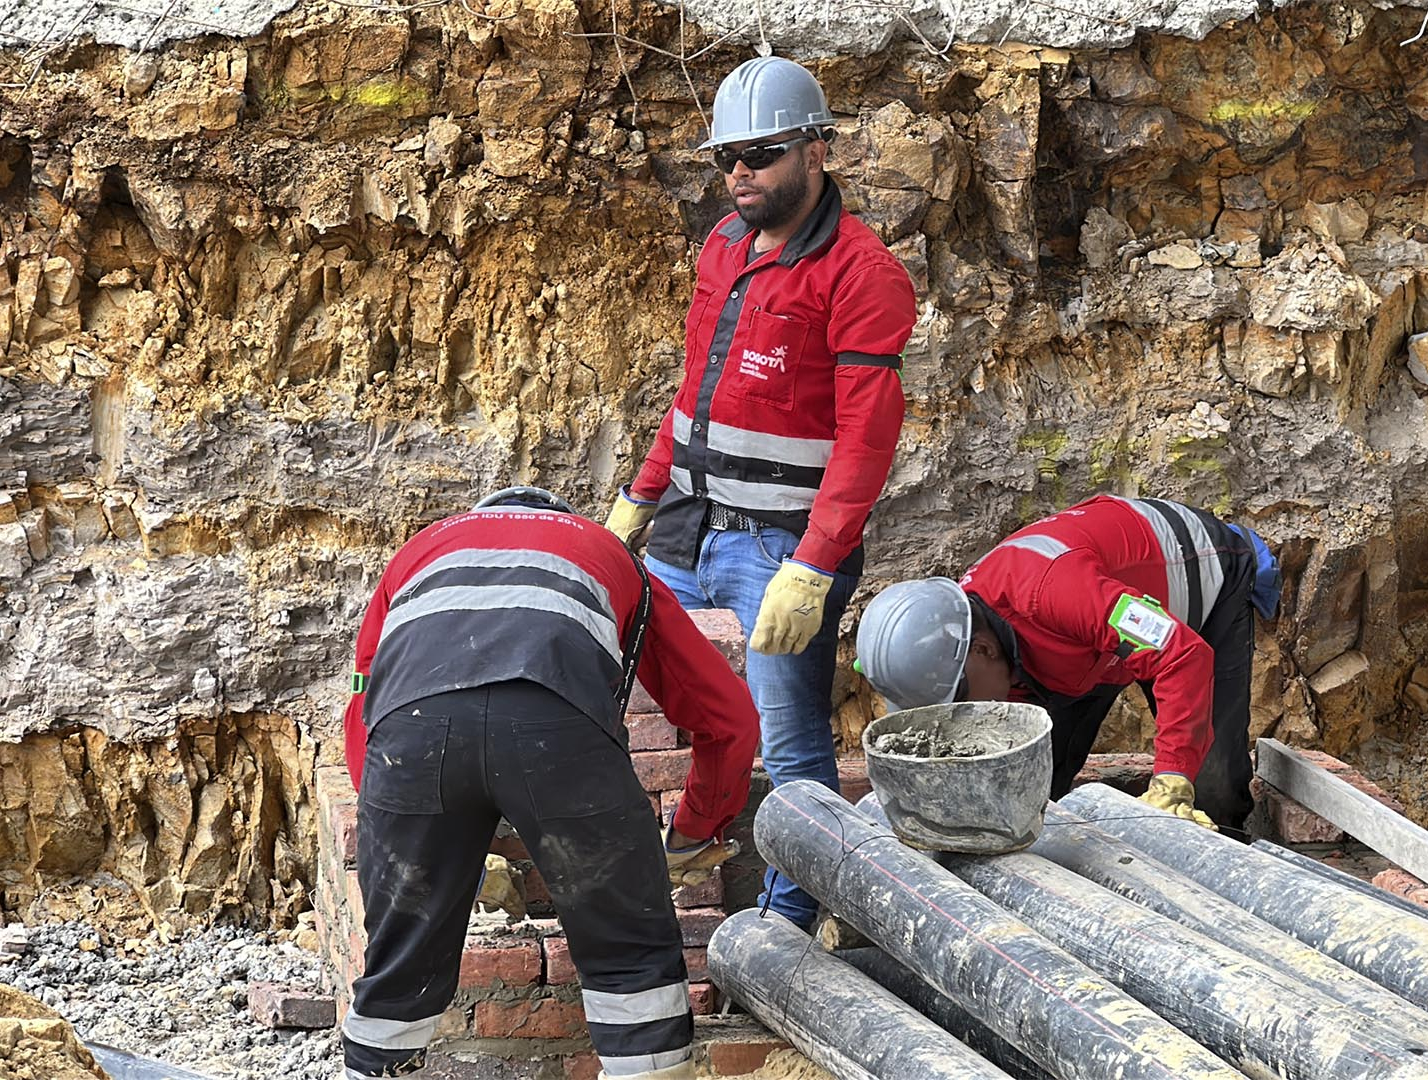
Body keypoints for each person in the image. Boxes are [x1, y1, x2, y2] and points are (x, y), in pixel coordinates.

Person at [603, 56, 917, 929]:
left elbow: (866, 439)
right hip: (686, 528)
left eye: (760, 152)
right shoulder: (725, 249)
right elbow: (696, 392)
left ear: (818, 151)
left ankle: (788, 926)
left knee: (791, 744)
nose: (739, 171)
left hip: (778, 547)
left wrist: (815, 566)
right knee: (625, 695)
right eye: (725, 157)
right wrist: (641, 495)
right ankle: (652, 868)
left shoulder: (862, 274)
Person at [338, 487, 756, 1080]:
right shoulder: (607, 551)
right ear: (560, 518)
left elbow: (364, 703)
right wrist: (694, 830)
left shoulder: (419, 551)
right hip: (558, 725)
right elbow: (728, 719)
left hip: (412, 735)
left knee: (398, 962)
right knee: (629, 955)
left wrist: (410, 833)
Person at [853, 494, 1280, 833]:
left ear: (982, 650)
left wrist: (1172, 779)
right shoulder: (968, 625)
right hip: (1089, 639)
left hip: (1201, 583)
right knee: (1036, 781)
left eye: (959, 699)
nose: (964, 716)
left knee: (1211, 785)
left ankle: (1223, 863)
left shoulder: (1060, 594)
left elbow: (1179, 653)